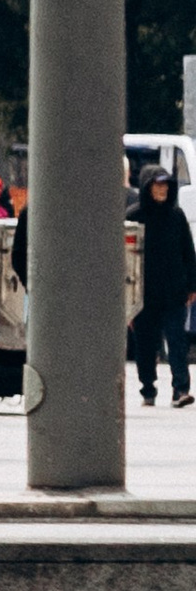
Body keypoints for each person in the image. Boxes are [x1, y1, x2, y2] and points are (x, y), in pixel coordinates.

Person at [132, 165, 196, 411]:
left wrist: (192, 284)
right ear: (148, 187)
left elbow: (188, 253)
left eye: (166, 185)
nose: (162, 189)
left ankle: (181, 389)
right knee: (145, 344)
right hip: (144, 295)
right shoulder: (134, 216)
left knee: (177, 341)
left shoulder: (176, 216)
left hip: (173, 293)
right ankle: (148, 387)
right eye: (157, 185)